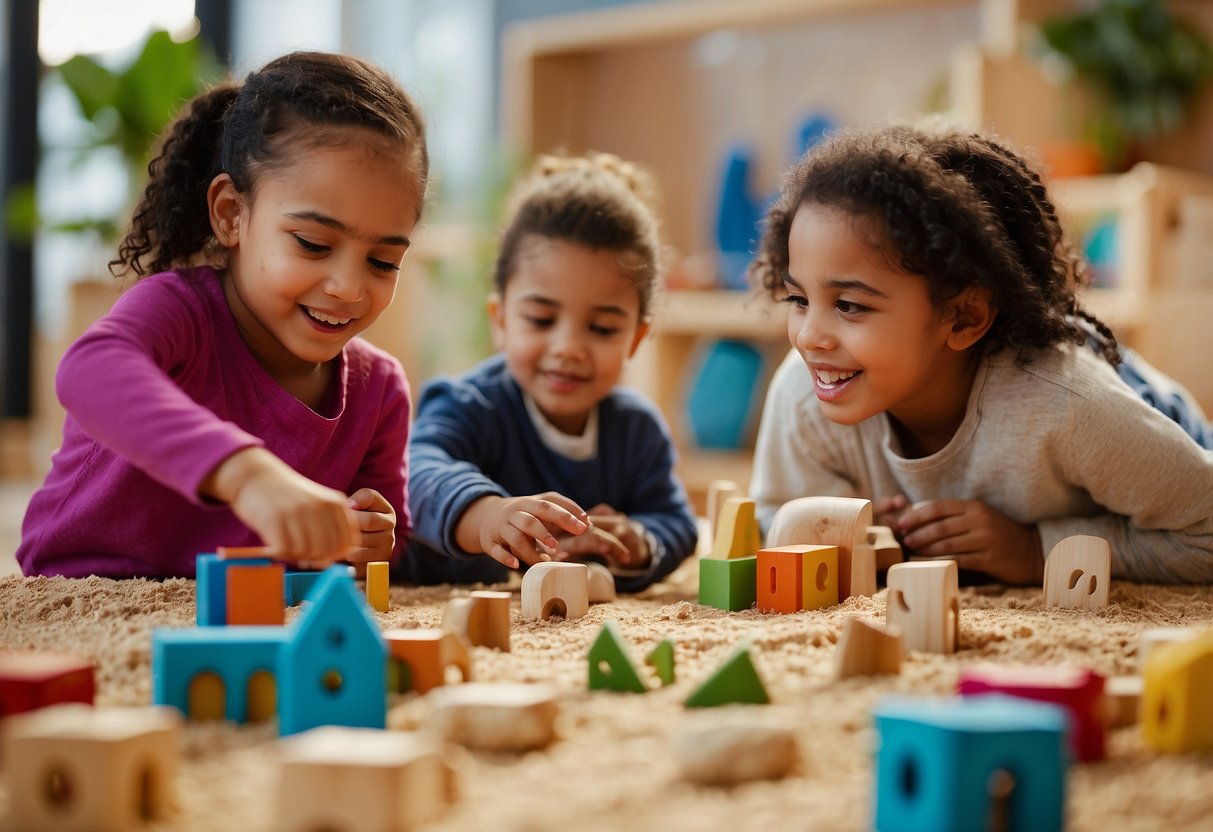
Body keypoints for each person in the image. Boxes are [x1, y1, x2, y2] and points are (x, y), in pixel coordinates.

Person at [18, 52, 428, 578]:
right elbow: (88, 369)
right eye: (311, 243)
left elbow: (382, 550)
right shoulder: (178, 310)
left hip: (241, 609)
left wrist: (367, 536)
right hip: (85, 583)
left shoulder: (380, 391)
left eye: (382, 261)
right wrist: (245, 472)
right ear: (232, 214)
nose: (348, 287)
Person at [748, 123, 1213, 585]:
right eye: (799, 300)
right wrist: (858, 542)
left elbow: (1203, 533)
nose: (809, 337)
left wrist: (1037, 551)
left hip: (1164, 428)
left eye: (849, 305)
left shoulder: (1067, 404)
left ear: (965, 317)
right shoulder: (805, 389)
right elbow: (779, 522)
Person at [402, 153, 698, 592]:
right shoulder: (469, 404)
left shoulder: (637, 430)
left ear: (635, 338)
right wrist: (487, 513)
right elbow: (417, 473)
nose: (568, 349)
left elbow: (676, 520)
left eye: (601, 328)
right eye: (541, 320)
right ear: (500, 320)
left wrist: (641, 542)